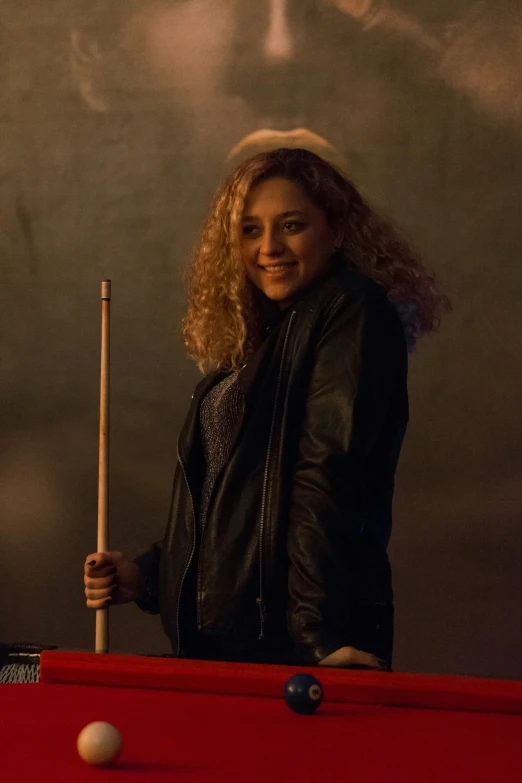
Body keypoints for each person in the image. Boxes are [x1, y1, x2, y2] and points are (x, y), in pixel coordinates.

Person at [84, 148, 449, 668]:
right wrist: (147, 575)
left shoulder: (351, 310)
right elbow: (232, 498)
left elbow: (328, 480)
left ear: (337, 228)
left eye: (292, 225)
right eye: (251, 230)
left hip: (294, 647)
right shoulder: (267, 336)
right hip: (227, 643)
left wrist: (317, 635)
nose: (270, 247)